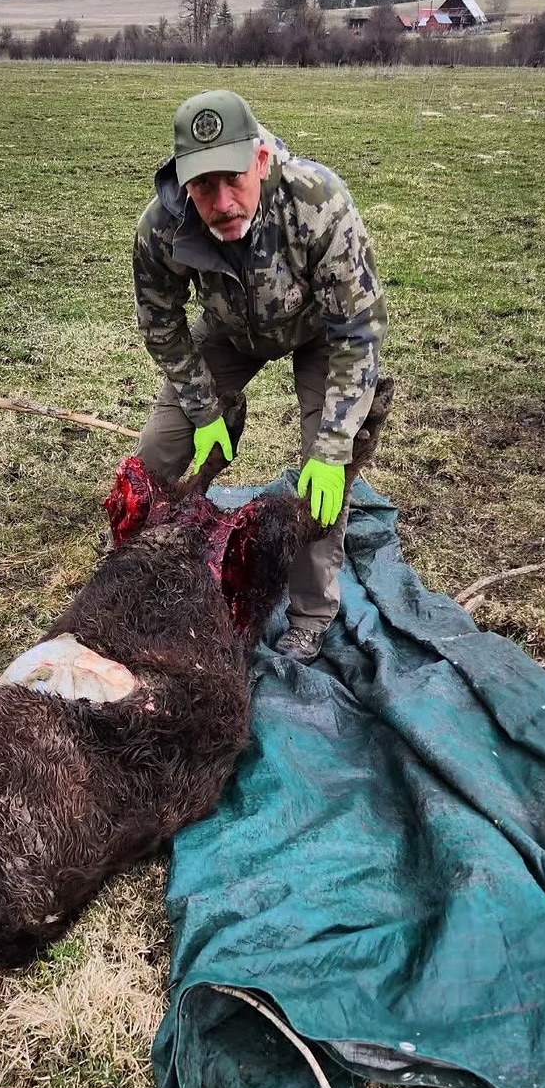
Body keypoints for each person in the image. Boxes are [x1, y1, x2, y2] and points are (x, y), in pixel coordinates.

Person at [133, 88, 388, 663]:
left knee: (322, 484)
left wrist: (331, 446)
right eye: (203, 184)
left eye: (234, 179)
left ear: (262, 161)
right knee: (159, 447)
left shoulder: (320, 203)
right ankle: (141, 564)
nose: (222, 201)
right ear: (181, 179)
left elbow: (359, 334)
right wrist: (202, 410)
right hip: (229, 329)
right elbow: (161, 323)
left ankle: (310, 615)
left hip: (321, 332)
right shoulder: (161, 227)